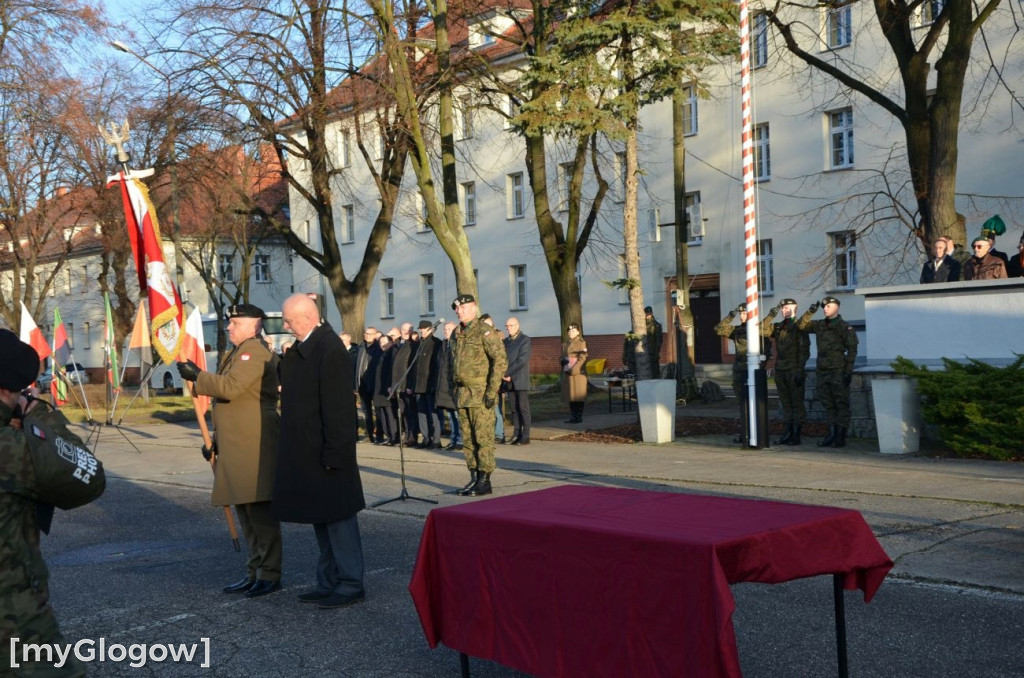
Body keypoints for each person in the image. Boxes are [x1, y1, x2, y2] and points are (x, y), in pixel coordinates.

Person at [177, 304, 283, 598]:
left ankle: (270, 573)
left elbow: (233, 388)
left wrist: (198, 375)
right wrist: (215, 441)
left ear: (253, 325)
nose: (229, 327)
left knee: (259, 512)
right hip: (238, 442)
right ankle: (254, 571)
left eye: (235, 323)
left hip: (254, 442)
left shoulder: (255, 352)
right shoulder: (237, 352)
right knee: (245, 510)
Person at [0, 329, 87, 677]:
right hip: (13, 616)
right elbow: (85, 477)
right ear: (7, 389)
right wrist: (40, 418)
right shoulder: (11, 448)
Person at [275, 293, 366, 609]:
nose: (286, 326)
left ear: (309, 317)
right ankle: (328, 581)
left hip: (328, 454)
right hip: (309, 452)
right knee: (322, 520)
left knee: (339, 521)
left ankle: (351, 582)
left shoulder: (329, 349)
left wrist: (336, 454)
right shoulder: (306, 348)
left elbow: (340, 410)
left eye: (289, 320)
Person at [450, 294, 507, 497]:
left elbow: (499, 361)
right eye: (457, 309)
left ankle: (484, 480)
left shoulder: (485, 331)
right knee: (468, 439)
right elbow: (452, 363)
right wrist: (452, 388)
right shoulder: (456, 333)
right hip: (463, 393)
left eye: (463, 308)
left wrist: (492, 391)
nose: (459, 311)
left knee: (483, 438)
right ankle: (474, 477)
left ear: (473, 308)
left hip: (481, 392)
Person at [797, 296, 858, 448]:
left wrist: (848, 371)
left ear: (837, 307)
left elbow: (852, 350)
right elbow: (801, 325)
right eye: (824, 307)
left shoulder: (845, 327)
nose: (825, 309)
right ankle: (831, 434)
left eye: (829, 306)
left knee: (841, 403)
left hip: (838, 369)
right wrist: (811, 311)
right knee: (828, 403)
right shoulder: (819, 325)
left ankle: (840, 436)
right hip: (822, 369)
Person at [715, 304, 769, 443]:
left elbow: (766, 351)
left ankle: (755, 432)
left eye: (744, 313)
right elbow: (719, 329)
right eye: (740, 313)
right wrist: (731, 315)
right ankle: (744, 433)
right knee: (742, 403)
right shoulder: (737, 330)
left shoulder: (759, 330)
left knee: (754, 403)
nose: (741, 316)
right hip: (739, 371)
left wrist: (761, 368)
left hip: (752, 370)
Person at [761, 299, 810, 445]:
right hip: (781, 369)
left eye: (787, 308)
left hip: (794, 369)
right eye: (782, 308)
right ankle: (788, 432)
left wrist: (800, 369)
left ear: (795, 308)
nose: (784, 311)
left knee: (797, 403)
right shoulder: (778, 327)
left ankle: (796, 434)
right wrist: (772, 313)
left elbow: (804, 350)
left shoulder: (800, 326)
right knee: (786, 403)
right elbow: (761, 329)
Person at [412, 320, 442, 448]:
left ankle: (436, 439)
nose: (421, 331)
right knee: (421, 413)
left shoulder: (436, 343)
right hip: (419, 384)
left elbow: (437, 365)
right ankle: (426, 438)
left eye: (424, 328)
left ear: (431, 329)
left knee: (433, 413)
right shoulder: (419, 344)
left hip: (430, 384)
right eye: (420, 329)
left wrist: (435, 384)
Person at [502, 317, 532, 445]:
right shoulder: (506, 342)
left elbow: (522, 360)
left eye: (511, 325)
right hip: (509, 380)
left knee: (523, 408)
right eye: (507, 326)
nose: (508, 328)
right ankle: (516, 433)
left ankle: (526, 435)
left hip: (520, 378)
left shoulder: (524, 340)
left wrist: (508, 373)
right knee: (514, 408)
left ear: (517, 325)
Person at [435, 321, 463, 451]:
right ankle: (453, 439)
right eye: (445, 329)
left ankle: (460, 440)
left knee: (458, 416)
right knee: (451, 416)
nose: (446, 331)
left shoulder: (456, 345)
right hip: (445, 386)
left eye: (449, 329)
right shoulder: (443, 345)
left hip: (455, 386)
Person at [355, 327, 381, 442]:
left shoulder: (378, 348)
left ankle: (379, 435)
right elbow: (357, 366)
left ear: (375, 335)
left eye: (370, 334)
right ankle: (370, 435)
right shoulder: (361, 347)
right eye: (366, 333)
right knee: (366, 411)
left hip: (374, 384)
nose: (367, 336)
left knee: (378, 410)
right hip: (362, 385)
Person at [373, 332, 398, 445]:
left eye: (385, 342)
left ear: (390, 343)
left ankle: (394, 436)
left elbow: (391, 371)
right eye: (381, 342)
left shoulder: (391, 353)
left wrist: (390, 386)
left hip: (387, 388)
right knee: (382, 413)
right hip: (379, 389)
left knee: (389, 413)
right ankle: (388, 436)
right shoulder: (381, 354)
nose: (382, 344)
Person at [561, 323, 588, 424]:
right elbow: (563, 355)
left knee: (578, 396)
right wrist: (562, 361)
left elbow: (583, 357)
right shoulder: (566, 343)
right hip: (568, 371)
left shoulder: (581, 342)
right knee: (571, 396)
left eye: (572, 331)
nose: (570, 333)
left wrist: (574, 369)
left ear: (577, 332)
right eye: (569, 331)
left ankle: (578, 416)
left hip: (577, 373)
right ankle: (573, 416)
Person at [644, 306, 663, 378]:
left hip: (653, 351)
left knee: (654, 370)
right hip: (644, 351)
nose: (648, 315)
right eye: (647, 314)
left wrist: (656, 352)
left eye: (649, 314)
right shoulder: (641, 324)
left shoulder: (656, 324)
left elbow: (659, 340)